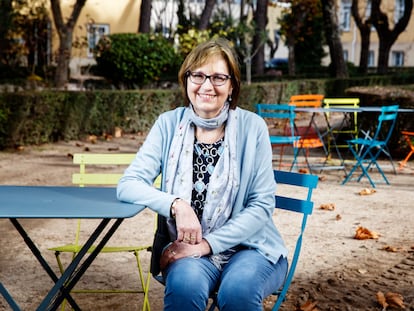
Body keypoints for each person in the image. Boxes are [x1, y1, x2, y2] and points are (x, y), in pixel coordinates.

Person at [117, 37, 288, 311]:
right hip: (187, 248)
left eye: (219, 77)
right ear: (186, 80)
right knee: (185, 287)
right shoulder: (168, 125)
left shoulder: (252, 127)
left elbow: (261, 205)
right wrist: (177, 205)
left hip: (250, 248)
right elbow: (128, 185)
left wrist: (207, 244)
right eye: (198, 75)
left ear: (232, 85)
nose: (207, 86)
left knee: (238, 293)